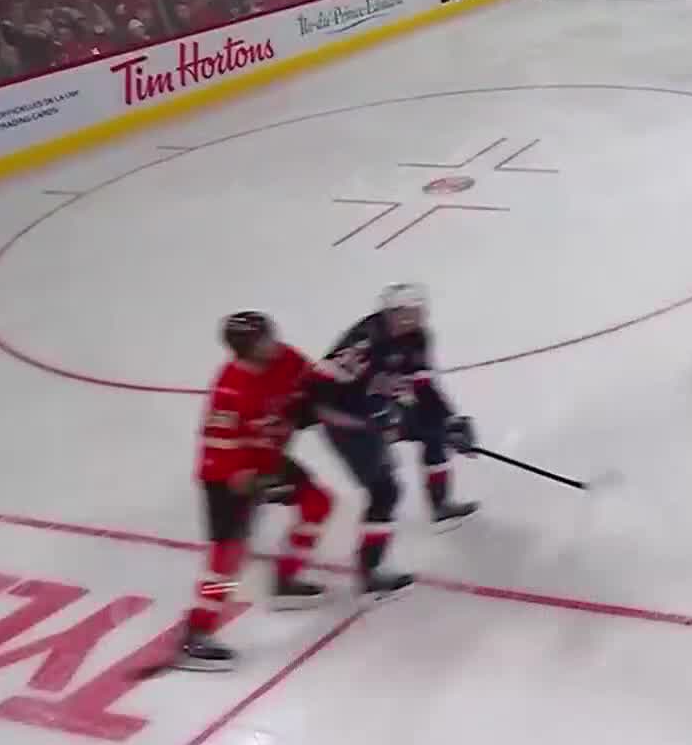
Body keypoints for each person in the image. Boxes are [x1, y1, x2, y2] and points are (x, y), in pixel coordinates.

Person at [183, 312, 338, 671]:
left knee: (318, 503)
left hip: (266, 461)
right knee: (226, 560)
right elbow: (222, 451)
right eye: (263, 341)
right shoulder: (230, 388)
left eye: (271, 336)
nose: (274, 344)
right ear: (245, 350)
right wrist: (256, 482)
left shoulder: (285, 358)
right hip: (226, 476)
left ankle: (285, 579)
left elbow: (317, 383)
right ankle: (196, 633)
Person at [308, 284, 479, 599]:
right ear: (394, 314)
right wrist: (373, 420)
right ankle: (369, 575)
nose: (419, 317)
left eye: (420, 310)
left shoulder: (417, 336)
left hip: (382, 409)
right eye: (411, 312)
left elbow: (423, 386)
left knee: (435, 432)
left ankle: (440, 507)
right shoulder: (362, 343)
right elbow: (321, 395)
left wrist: (450, 420)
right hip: (346, 424)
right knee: (385, 491)